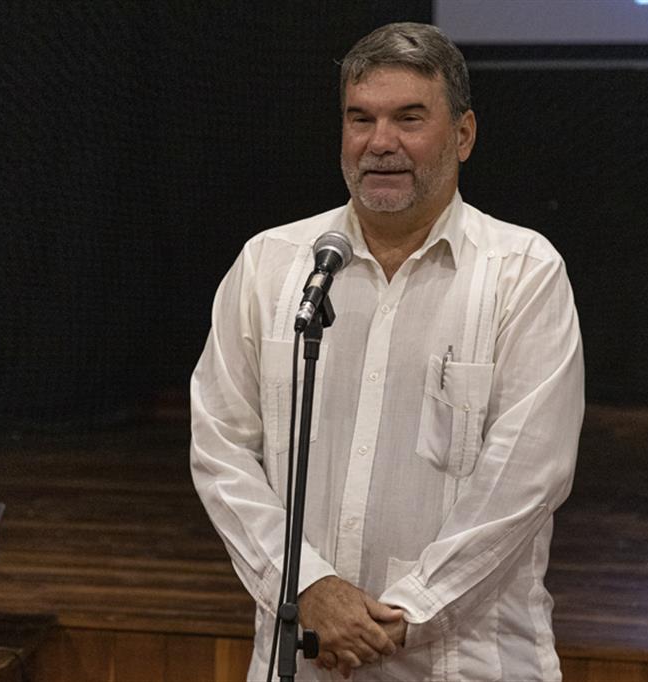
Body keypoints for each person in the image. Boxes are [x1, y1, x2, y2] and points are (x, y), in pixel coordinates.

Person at [190, 22, 584, 682]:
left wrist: (403, 615)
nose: (380, 143)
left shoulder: (522, 273)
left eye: (409, 118)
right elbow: (220, 448)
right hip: (303, 656)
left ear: (463, 135)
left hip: (466, 664)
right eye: (361, 118)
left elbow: (526, 479)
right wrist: (305, 587)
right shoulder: (271, 265)